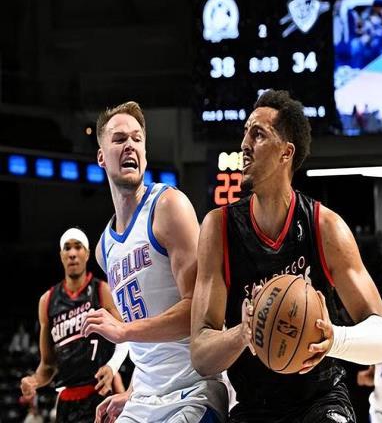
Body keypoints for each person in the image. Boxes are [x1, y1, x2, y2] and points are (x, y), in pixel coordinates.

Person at [191, 89, 382, 422]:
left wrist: (334, 338)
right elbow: (200, 354)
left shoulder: (325, 226)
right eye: (245, 133)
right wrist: (243, 332)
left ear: (286, 153)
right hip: (255, 406)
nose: (244, 144)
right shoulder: (218, 228)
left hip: (321, 400)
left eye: (258, 134)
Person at [81, 101, 227, 422]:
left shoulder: (168, 206)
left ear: (145, 154)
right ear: (102, 157)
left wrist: (124, 330)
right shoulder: (104, 249)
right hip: (144, 397)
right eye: (120, 139)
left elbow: (200, 311)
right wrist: (132, 392)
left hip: (193, 389)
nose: (130, 145)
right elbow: (147, 347)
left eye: (137, 139)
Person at [20, 228, 129, 423]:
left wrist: (112, 366)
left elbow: (125, 336)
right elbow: (48, 365)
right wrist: (34, 381)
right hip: (66, 401)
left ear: (87, 254)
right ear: (61, 255)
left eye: (78, 247)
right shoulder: (47, 301)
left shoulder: (102, 291)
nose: (72, 253)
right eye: (67, 248)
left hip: (99, 394)